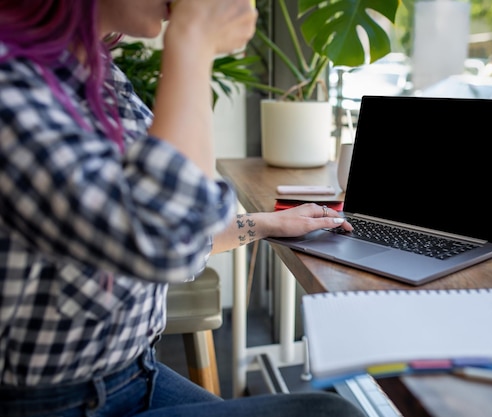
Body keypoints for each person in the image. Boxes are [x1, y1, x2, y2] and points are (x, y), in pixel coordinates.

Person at [0, 1, 362, 416]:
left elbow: (168, 221)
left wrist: (267, 223)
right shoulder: (12, 84)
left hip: (133, 372)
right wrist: (192, 42)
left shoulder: (93, 71)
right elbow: (163, 239)